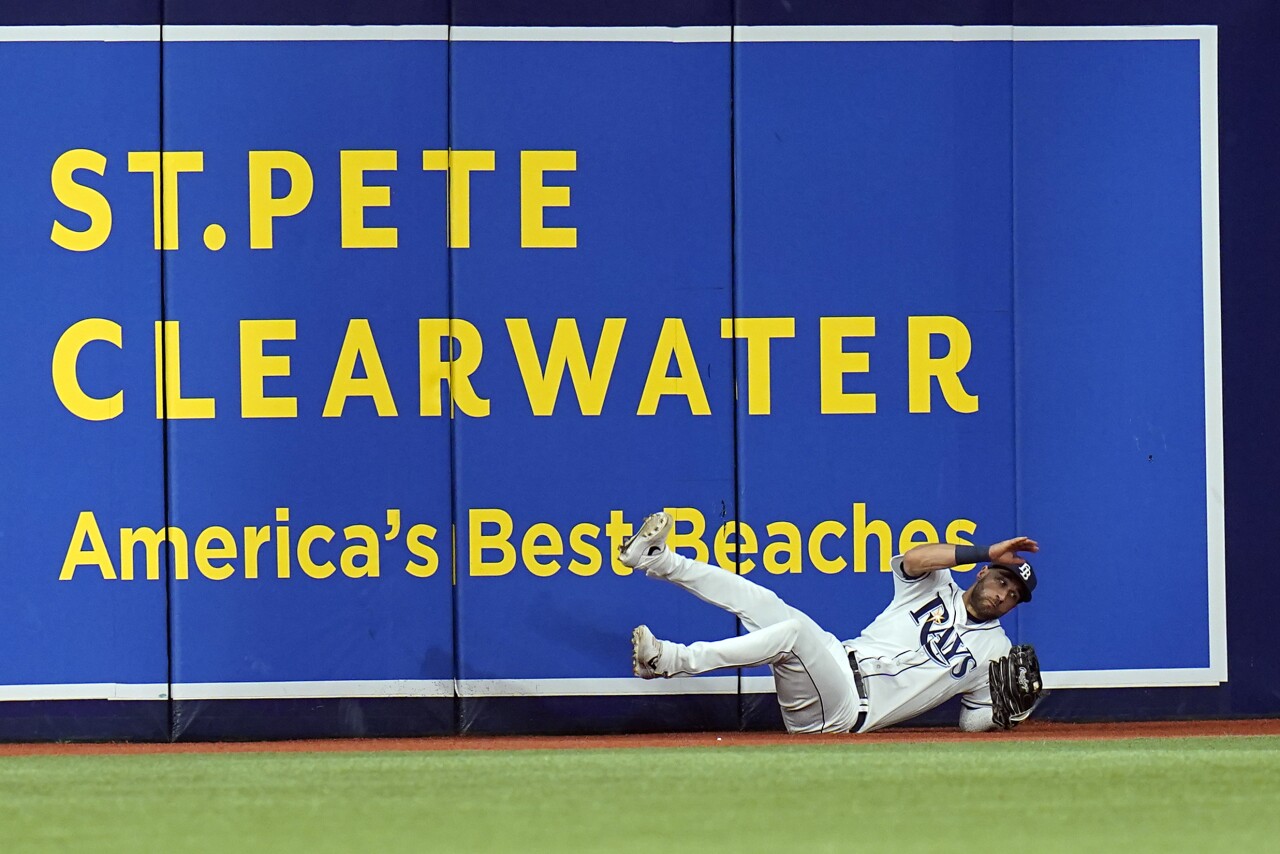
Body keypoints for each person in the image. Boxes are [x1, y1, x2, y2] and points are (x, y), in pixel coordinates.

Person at [620, 510, 1043, 734]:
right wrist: (988, 549)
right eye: (1003, 580)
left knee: (793, 634)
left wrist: (1010, 714)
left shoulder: (998, 653)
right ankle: (660, 561)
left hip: (844, 711)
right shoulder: (934, 585)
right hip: (834, 660)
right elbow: (915, 557)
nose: (1004, 595)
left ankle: (671, 660)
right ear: (983, 572)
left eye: (1014, 596)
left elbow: (970, 722)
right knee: (764, 603)